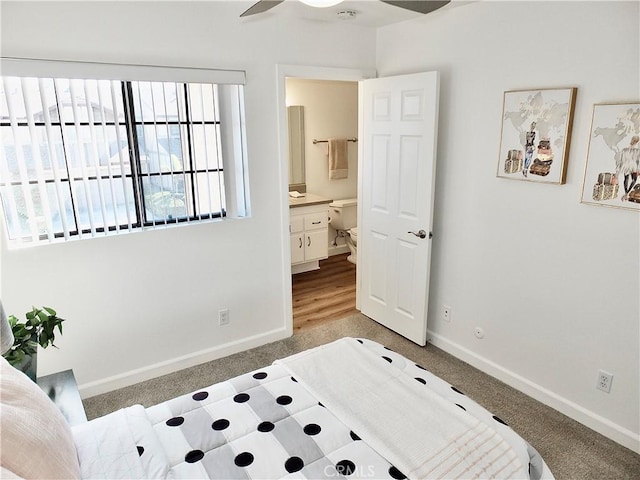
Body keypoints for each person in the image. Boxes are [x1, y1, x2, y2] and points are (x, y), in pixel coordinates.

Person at [617, 135, 640, 201]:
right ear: (637, 142)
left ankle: (625, 193)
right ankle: (626, 193)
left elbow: (622, 159)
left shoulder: (625, 150)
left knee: (626, 179)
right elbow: (638, 160)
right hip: (633, 166)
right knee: (634, 180)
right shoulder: (637, 151)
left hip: (626, 165)